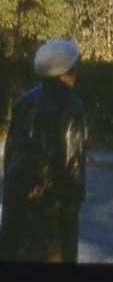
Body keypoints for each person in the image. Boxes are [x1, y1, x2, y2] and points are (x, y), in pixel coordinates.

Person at [0, 39, 88, 263]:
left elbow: (9, 154)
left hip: (17, 202)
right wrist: (72, 209)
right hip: (51, 211)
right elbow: (73, 166)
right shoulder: (72, 106)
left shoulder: (24, 101)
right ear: (68, 70)